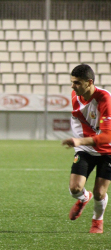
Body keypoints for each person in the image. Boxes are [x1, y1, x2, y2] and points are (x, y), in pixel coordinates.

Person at [62, 64, 111, 234]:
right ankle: (84, 198)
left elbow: (107, 136)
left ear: (89, 82)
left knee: (99, 193)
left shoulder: (105, 99)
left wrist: (78, 140)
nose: (72, 86)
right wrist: (80, 142)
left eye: (76, 83)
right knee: (75, 188)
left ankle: (97, 220)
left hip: (108, 151)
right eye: (72, 82)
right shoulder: (76, 96)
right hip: (85, 149)